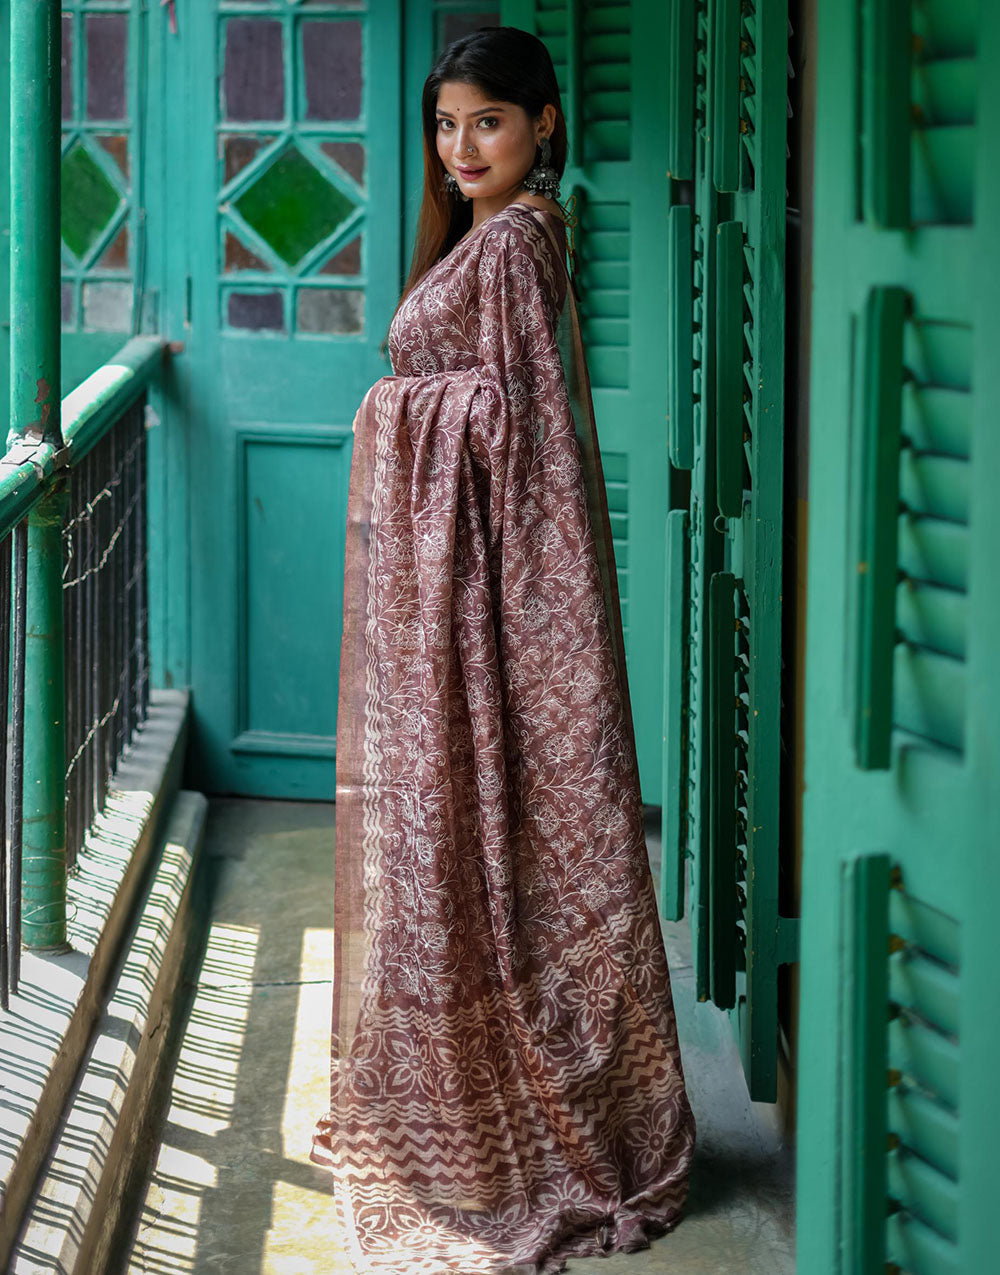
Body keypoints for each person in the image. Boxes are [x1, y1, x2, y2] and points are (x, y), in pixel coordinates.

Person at [311, 25, 696, 1274]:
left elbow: (523, 435)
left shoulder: (521, 242)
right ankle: (473, 1102)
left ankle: (544, 1128)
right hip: (450, 596)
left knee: (480, 833)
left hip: (483, 599)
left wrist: (392, 405)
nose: (461, 147)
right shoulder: (483, 241)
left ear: (543, 123)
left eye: (487, 120)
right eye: (444, 124)